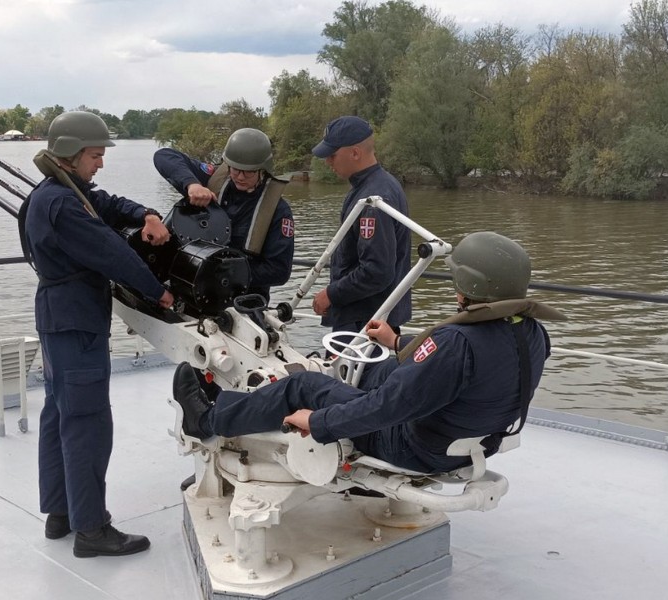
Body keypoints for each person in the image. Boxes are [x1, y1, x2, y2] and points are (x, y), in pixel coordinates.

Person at [171, 232, 562, 474]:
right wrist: (397, 344)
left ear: (464, 285)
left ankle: (208, 419)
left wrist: (321, 421)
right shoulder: (533, 333)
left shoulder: (455, 344)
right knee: (373, 369)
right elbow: (453, 376)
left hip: (414, 448)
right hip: (471, 443)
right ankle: (327, 386)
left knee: (305, 384)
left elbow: (388, 409)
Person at [22, 111, 175, 558]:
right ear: (70, 154)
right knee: (88, 422)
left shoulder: (55, 192)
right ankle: (91, 530)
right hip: (76, 321)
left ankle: (61, 513)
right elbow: (110, 250)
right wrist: (159, 292)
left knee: (59, 413)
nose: (100, 163)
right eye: (95, 155)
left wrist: (145, 213)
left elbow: (105, 203)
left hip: (57, 319)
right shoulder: (64, 205)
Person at [154, 128, 294, 302]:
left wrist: (224, 271)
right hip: (194, 288)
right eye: (235, 169)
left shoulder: (278, 211)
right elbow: (163, 156)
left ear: (263, 170)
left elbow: (279, 271)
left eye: (248, 172)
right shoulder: (214, 179)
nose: (240, 177)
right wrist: (192, 185)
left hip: (242, 298)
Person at [309, 116, 412, 336]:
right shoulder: (378, 186)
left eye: (332, 155)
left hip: (364, 324)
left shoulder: (374, 199)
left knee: (352, 372)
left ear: (355, 153)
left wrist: (331, 294)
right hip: (370, 319)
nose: (328, 162)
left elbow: (377, 271)